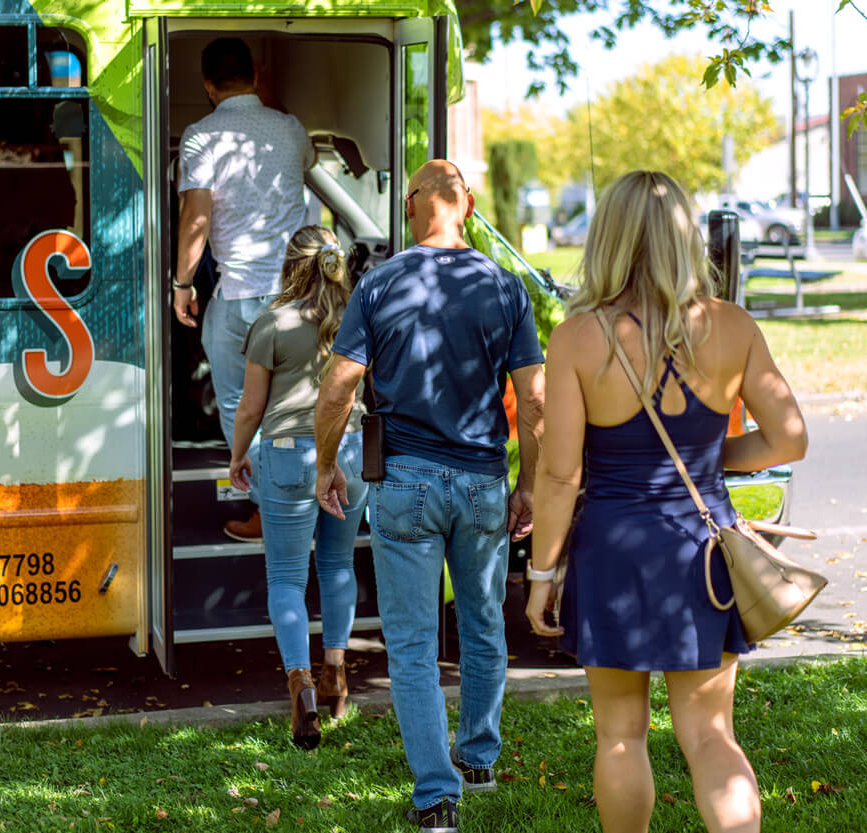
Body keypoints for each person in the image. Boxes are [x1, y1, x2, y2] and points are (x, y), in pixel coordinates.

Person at [525, 170, 808, 833]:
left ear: (608, 239)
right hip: (702, 552)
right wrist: (715, 455)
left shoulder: (577, 336)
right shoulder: (732, 327)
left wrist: (542, 574)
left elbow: (561, 475)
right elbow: (788, 436)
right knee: (711, 735)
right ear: (687, 236)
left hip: (612, 552)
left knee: (620, 734)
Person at [315, 160, 546, 832]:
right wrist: (527, 480)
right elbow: (532, 398)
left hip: (407, 481)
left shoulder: (380, 282)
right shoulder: (504, 286)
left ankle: (437, 797)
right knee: (481, 621)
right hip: (480, 481)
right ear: (467, 205)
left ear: (414, 204)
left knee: (412, 643)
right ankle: (479, 758)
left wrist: (327, 464)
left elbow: (338, 388)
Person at [227, 226, 368, 750]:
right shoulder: (355, 316)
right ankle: (336, 676)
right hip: (349, 452)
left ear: (291, 266)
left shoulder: (273, 322)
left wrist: (239, 455)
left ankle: (301, 687)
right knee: (337, 566)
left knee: (286, 578)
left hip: (288, 456)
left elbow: (250, 408)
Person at [174, 36, 315, 543]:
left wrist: (182, 284)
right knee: (294, 404)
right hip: (297, 299)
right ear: (255, 76)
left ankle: (268, 512)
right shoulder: (291, 130)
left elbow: (196, 218)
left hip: (237, 294)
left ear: (209, 86)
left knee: (238, 405)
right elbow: (308, 162)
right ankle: (304, 499)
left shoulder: (201, 135)